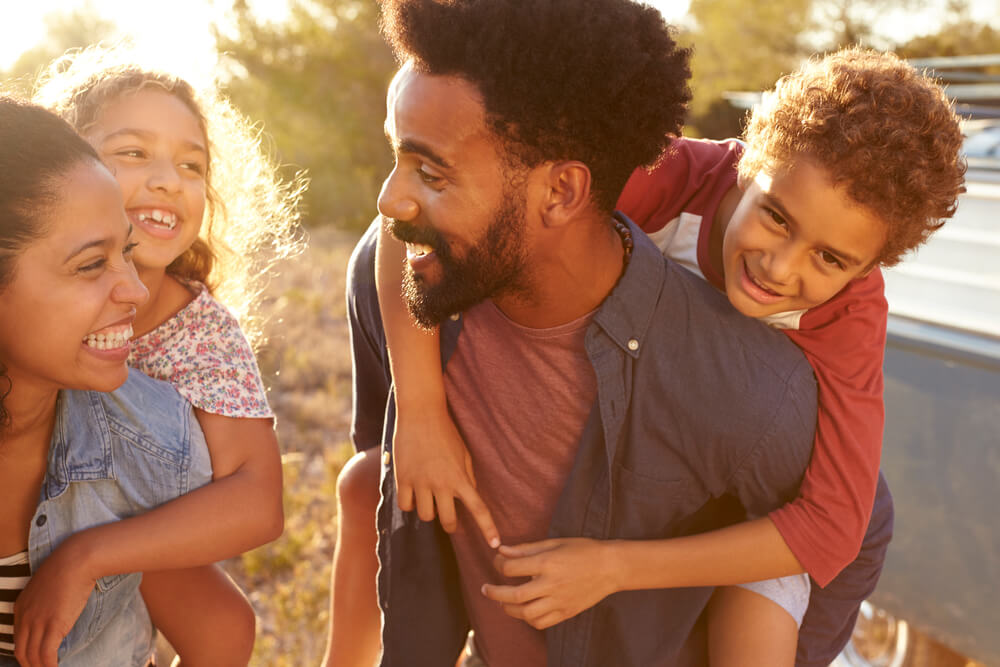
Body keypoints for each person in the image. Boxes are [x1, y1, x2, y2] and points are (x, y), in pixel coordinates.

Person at [329, 0, 876, 665]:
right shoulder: (409, 275)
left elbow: (851, 525)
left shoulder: (767, 384)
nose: (390, 202)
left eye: (432, 172)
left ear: (562, 193)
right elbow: (378, 500)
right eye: (777, 219)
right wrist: (418, 410)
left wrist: (618, 566)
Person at [25, 46, 305, 665]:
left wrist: (94, 554)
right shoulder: (21, 288)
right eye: (133, 153)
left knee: (226, 623)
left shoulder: (200, 331)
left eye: (191, 165)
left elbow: (258, 500)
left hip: (117, 545)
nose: (167, 180)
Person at [0, 96, 207, 667]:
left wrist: (92, 555)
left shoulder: (152, 441)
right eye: (92, 265)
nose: (136, 291)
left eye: (128, 253)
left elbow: (222, 625)